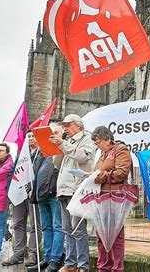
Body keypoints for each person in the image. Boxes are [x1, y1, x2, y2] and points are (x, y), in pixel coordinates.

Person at [50, 114, 96, 272]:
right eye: (64, 126)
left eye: (68, 125)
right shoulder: (67, 141)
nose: (65, 129)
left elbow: (83, 157)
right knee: (67, 229)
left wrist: (63, 144)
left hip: (76, 190)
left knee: (78, 230)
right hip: (63, 190)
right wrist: (57, 147)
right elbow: (57, 164)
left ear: (78, 125)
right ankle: (70, 264)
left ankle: (83, 265)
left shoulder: (87, 138)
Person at [90, 126, 132, 272]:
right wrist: (91, 176)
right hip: (101, 197)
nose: (98, 145)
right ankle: (103, 267)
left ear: (108, 138)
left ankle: (117, 267)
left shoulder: (121, 149)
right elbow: (99, 172)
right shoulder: (102, 154)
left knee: (115, 235)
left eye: (99, 142)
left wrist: (99, 177)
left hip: (115, 197)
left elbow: (121, 172)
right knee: (101, 235)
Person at [2, 132, 43, 267]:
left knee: (35, 225)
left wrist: (35, 188)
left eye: (33, 136)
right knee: (18, 223)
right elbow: (12, 173)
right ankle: (18, 254)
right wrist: (10, 190)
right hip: (19, 194)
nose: (31, 138)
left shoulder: (42, 153)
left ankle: (32, 254)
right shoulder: (21, 155)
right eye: (28, 136)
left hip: (33, 193)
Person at [26, 129, 64, 272]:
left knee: (57, 226)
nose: (52, 135)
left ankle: (55, 259)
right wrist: (33, 190)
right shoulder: (41, 152)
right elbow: (35, 173)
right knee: (47, 228)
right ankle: (47, 258)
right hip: (41, 195)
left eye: (56, 132)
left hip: (54, 194)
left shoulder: (63, 148)